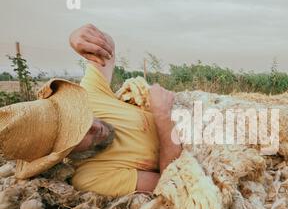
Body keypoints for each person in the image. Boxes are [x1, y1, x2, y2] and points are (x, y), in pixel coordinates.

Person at [0, 23, 182, 197]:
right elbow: (170, 183)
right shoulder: (90, 177)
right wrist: (163, 116)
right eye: (79, 135)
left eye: (83, 116)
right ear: (60, 154)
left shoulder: (89, 96)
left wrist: (82, 39)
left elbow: (107, 49)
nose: (93, 126)